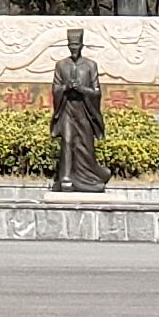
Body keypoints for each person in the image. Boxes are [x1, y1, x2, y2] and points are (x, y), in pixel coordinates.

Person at [51, 27, 106, 194]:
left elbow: (96, 92)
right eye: (71, 45)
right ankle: (66, 177)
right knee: (67, 141)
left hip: (84, 110)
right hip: (67, 108)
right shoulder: (61, 65)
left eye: (76, 45)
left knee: (85, 146)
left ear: (82, 45)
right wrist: (65, 88)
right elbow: (55, 88)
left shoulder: (90, 65)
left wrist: (82, 89)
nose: (73, 48)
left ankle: (90, 176)